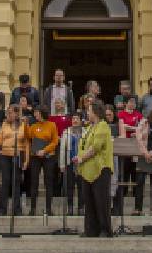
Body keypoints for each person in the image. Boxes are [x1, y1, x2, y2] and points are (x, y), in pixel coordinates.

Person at [73, 101, 114, 237]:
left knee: (101, 201)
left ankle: (105, 230)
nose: (87, 113)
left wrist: (81, 158)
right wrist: (78, 158)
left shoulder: (102, 126)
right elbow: (84, 145)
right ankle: (91, 230)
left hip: (100, 169)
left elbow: (95, 147)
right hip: (87, 170)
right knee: (89, 201)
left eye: (89, 111)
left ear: (96, 112)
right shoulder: (90, 127)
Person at [0, 104, 28, 216]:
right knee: (5, 182)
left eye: (10, 112)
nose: (8, 114)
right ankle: (1, 209)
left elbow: (26, 144)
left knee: (16, 182)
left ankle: (17, 209)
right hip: (5, 155)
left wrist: (26, 160)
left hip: (18, 155)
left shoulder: (23, 125)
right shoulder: (4, 124)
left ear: (16, 114)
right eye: (7, 112)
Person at [26, 107, 59, 215]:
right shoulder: (34, 126)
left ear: (42, 113)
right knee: (34, 182)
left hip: (48, 156)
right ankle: (33, 209)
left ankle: (49, 209)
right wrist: (26, 125)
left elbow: (55, 141)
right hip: (35, 156)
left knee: (48, 182)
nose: (35, 115)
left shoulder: (52, 125)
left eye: (36, 112)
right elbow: (28, 136)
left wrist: (44, 151)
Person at [58, 113, 85, 214]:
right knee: (70, 186)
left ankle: (81, 207)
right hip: (69, 163)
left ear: (80, 120)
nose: (75, 120)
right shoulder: (66, 132)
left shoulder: (85, 132)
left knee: (81, 186)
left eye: (77, 118)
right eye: (73, 118)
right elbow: (62, 150)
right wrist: (62, 164)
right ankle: (70, 207)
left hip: (82, 163)